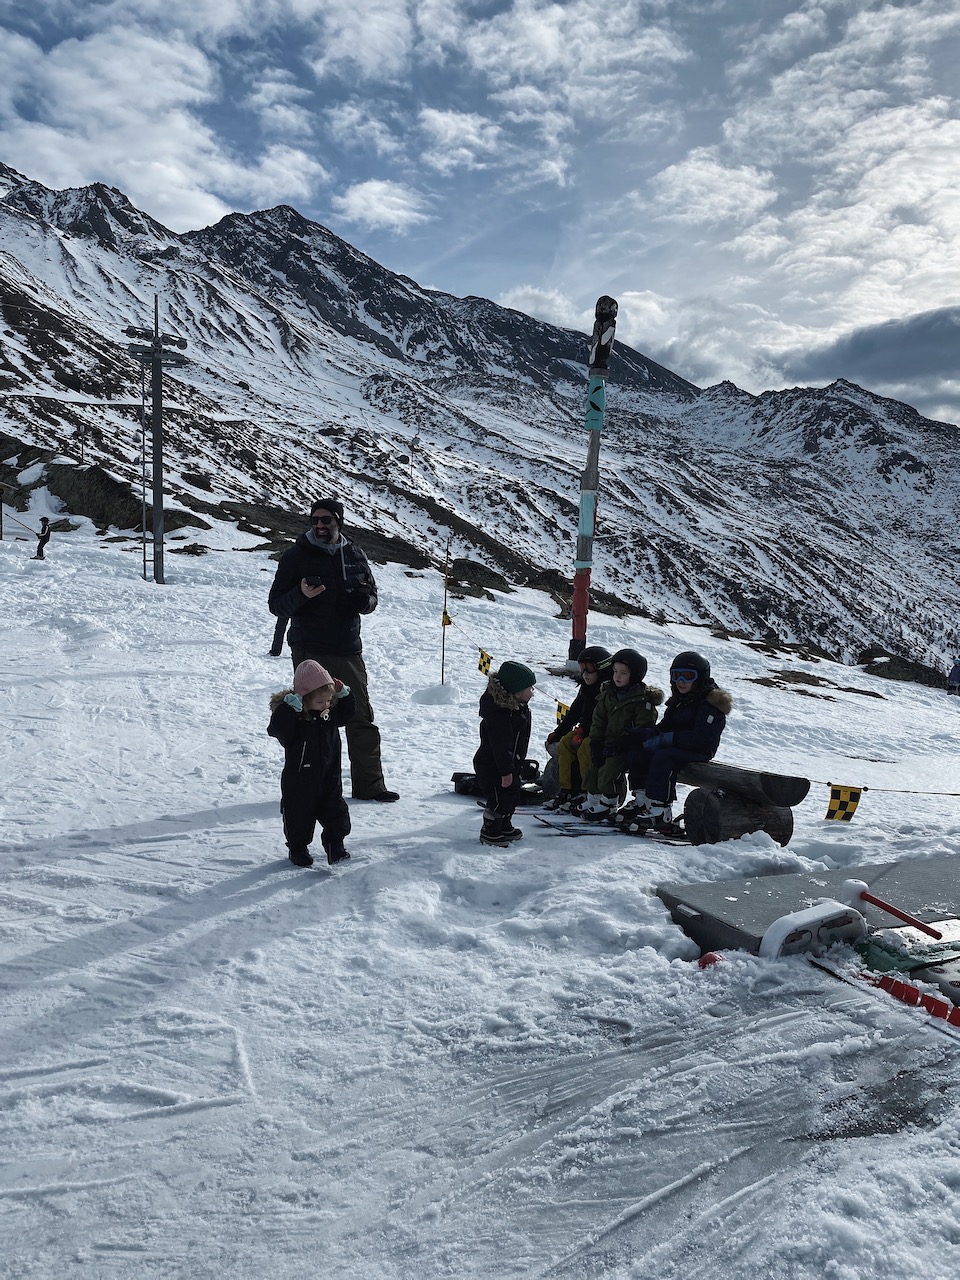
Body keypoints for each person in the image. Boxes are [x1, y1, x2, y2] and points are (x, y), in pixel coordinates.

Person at [268, 498, 399, 802]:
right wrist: (300, 593)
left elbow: (372, 598)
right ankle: (308, 786)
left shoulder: (354, 554)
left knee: (360, 717)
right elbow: (276, 605)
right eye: (314, 520)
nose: (319, 525)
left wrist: (363, 602)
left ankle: (370, 787)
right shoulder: (295, 557)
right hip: (309, 650)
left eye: (326, 520)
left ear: (339, 521)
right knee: (310, 722)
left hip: (347, 649)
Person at [618, 650, 732, 834]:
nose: (681, 681)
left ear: (700, 677)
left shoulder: (710, 705)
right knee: (639, 751)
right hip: (678, 746)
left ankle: (660, 809)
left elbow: (702, 738)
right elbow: (664, 727)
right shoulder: (680, 701)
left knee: (664, 756)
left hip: (700, 750)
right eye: (676, 675)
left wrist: (669, 739)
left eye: (688, 676)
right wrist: (641, 735)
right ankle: (643, 801)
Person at [268, 659, 355, 868]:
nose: (326, 705)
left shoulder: (329, 715)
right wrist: (288, 711)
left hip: (329, 777)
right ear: (304, 699)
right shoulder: (296, 718)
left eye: (330, 700)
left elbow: (347, 714)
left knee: (336, 812)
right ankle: (297, 848)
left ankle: (336, 845)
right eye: (320, 702)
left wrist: (345, 695)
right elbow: (278, 731)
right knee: (298, 816)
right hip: (299, 780)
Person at [574, 648, 663, 822]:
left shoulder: (642, 700)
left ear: (635, 675)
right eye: (615, 672)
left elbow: (644, 728)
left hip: (627, 745)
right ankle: (593, 798)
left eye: (623, 673)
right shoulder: (608, 694)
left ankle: (609, 802)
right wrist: (595, 742)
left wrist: (624, 742)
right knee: (594, 768)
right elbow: (598, 720)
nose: (617, 677)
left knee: (610, 769)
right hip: (607, 742)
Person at [473, 661, 536, 848]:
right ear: (516, 692)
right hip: (494, 766)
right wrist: (505, 771)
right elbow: (501, 746)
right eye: (529, 688)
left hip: (509, 763)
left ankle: (505, 825)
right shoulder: (500, 715)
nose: (533, 691)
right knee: (499, 798)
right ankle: (490, 830)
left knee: (512, 795)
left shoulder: (517, 708)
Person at [542, 645, 612, 811]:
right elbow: (574, 712)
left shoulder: (608, 692)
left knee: (584, 749)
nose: (585, 674)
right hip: (586, 731)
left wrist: (586, 734)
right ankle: (567, 790)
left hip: (602, 735)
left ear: (602, 670)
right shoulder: (586, 689)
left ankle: (585, 790)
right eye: (582, 669)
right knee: (565, 744)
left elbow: (608, 721)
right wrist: (559, 733)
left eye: (589, 669)